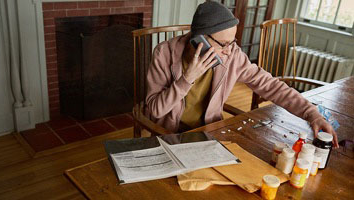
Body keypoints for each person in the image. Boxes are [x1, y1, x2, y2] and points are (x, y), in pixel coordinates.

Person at [145, 1, 338, 147]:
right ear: (199, 39)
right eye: (224, 44)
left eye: (233, 42)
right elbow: (155, 110)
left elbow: (271, 85)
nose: (230, 51)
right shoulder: (164, 53)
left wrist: (312, 114)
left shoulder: (232, 55)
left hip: (209, 134)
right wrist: (186, 80)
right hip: (170, 135)